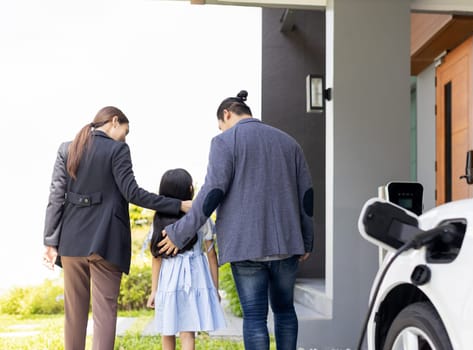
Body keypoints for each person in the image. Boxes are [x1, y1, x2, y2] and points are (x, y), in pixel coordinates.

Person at [157, 91, 314, 350]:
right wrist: (306, 240)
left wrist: (180, 232)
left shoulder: (224, 143)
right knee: (285, 311)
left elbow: (211, 192)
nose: (221, 130)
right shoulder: (289, 143)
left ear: (227, 114)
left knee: (254, 317)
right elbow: (306, 195)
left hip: (246, 246)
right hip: (287, 244)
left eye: (221, 124)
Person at [42, 106, 191, 350]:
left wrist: (50, 241)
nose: (125, 136)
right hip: (106, 242)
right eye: (125, 131)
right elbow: (133, 193)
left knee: (74, 315)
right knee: (105, 315)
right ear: (114, 122)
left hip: (71, 244)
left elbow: (56, 197)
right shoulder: (118, 149)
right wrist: (178, 205)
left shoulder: (66, 148)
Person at [146, 168, 226, 350]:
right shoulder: (201, 218)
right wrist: (214, 288)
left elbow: (156, 258)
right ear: (190, 189)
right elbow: (211, 255)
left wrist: (154, 291)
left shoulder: (158, 220)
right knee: (187, 329)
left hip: (168, 279)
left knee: (167, 328)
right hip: (195, 275)